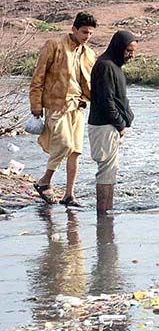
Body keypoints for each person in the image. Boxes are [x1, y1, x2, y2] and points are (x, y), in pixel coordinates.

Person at [29, 12, 97, 207]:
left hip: (78, 107)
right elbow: (38, 77)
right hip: (56, 106)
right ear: (74, 29)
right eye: (84, 32)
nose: (87, 36)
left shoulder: (89, 54)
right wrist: (36, 106)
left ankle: (69, 194)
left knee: (75, 151)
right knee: (65, 144)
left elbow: (92, 83)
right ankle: (44, 181)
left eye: (90, 33)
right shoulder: (54, 46)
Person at [88, 31, 137, 214]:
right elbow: (106, 101)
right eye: (128, 51)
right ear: (118, 47)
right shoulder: (106, 66)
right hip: (104, 127)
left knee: (110, 169)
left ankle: (106, 212)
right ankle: (103, 215)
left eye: (133, 51)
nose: (131, 55)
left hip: (108, 126)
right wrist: (120, 124)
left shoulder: (112, 65)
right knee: (106, 171)